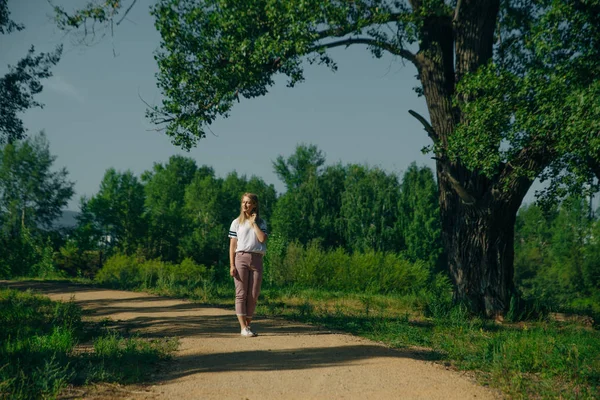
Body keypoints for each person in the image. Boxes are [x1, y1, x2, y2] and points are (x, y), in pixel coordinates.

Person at [228, 192, 268, 337]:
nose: (245, 205)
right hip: (241, 258)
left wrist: (253, 223)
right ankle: (243, 327)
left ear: (255, 205)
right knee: (241, 294)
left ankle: (248, 325)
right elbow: (232, 246)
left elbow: (262, 239)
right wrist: (232, 265)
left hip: (257, 259)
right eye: (243, 202)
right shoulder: (236, 222)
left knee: (253, 294)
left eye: (248, 202)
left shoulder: (262, 223)